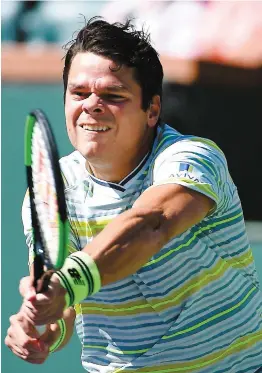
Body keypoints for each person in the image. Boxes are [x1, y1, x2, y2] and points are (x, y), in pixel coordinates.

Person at [5, 17, 262, 372]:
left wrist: (67, 283)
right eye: (79, 93)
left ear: (152, 110)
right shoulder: (53, 189)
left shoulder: (192, 157)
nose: (91, 105)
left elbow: (151, 225)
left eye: (112, 95)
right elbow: (61, 298)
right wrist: (45, 320)